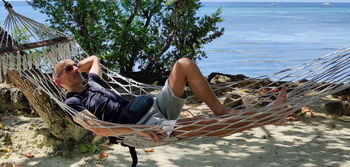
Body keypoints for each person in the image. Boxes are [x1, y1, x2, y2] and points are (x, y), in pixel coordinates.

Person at [53, 56, 288, 143]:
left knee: (183, 64)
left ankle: (221, 110)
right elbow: (99, 129)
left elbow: (93, 59)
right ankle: (271, 116)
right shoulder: (72, 102)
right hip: (142, 127)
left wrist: (71, 67)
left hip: (154, 105)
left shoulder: (93, 81)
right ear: (58, 82)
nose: (75, 68)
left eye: (75, 64)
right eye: (69, 68)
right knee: (204, 125)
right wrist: (139, 130)